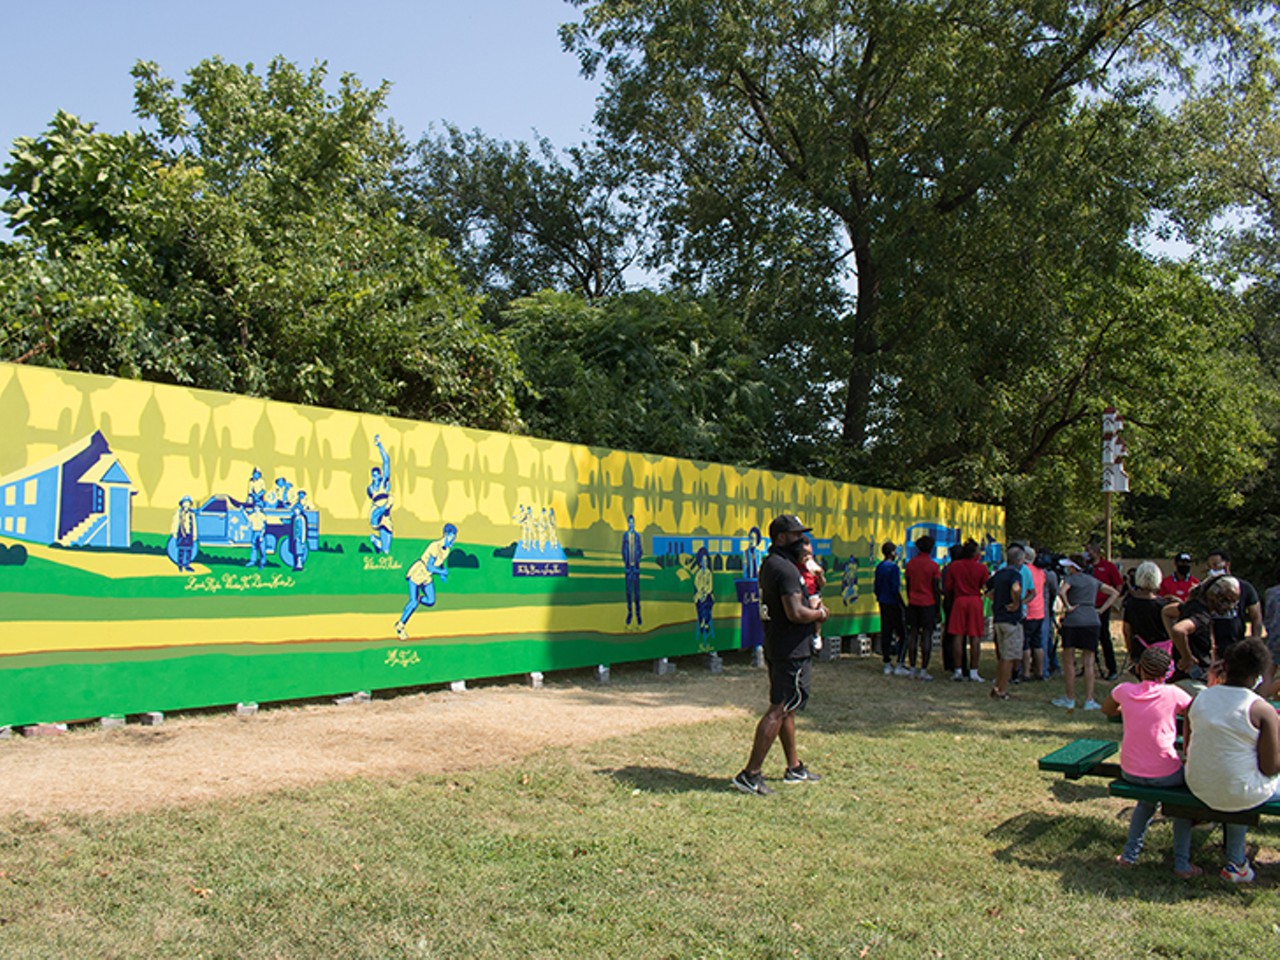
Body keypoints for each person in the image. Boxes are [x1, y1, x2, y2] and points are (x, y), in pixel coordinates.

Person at [732, 515, 828, 796]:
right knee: (779, 709)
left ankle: (794, 767)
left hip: (778, 645)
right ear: (782, 538)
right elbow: (796, 613)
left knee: (787, 707)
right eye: (797, 535)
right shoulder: (785, 570)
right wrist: (821, 614)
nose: (803, 541)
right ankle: (750, 774)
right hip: (790, 649)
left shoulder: (774, 564)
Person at [1184, 638, 1280, 883]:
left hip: (1200, 783)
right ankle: (1235, 862)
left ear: (1224, 666)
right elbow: (1270, 768)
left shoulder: (1199, 699)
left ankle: (1237, 861)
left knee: (1237, 777)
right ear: (1259, 674)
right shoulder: (1261, 710)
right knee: (1243, 784)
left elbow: (1189, 747)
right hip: (1237, 789)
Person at [1101, 647, 1197, 877]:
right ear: (1168, 673)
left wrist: (1129, 708)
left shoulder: (1123, 690)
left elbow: (1107, 709)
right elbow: (1196, 711)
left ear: (1139, 669)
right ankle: (1181, 863)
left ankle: (1129, 855)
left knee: (1145, 802)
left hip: (1131, 770)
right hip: (1166, 774)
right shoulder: (1173, 693)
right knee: (1182, 805)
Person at [1052, 555, 1120, 710]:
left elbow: (1062, 592)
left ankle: (1070, 697)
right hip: (1092, 621)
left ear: (1073, 567)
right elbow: (1114, 593)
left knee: (1068, 660)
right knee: (1089, 662)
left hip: (1073, 621)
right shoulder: (1093, 580)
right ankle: (1089, 699)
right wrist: (1101, 610)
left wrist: (1068, 606)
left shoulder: (1071, 579)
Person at [1165, 575, 1242, 685]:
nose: (1229, 607)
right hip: (1194, 680)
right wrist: (1186, 657)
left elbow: (1166, 612)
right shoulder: (1201, 617)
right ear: (1215, 596)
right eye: (1226, 600)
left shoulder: (1190, 606)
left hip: (1182, 677)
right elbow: (1179, 630)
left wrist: (1175, 641)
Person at [394, 524, 458, 640]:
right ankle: (400, 625)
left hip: (427, 577)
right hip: (419, 572)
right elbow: (430, 567)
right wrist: (442, 572)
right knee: (413, 603)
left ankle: (418, 599)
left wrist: (442, 573)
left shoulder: (447, 550)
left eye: (454, 538)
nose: (453, 541)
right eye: (452, 538)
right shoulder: (435, 546)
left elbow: (440, 562)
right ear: (445, 535)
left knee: (431, 601)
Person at [984, 544, 1025, 701]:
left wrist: (993, 597)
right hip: (1011, 621)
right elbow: (1016, 588)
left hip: (998, 618)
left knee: (1002, 656)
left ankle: (998, 686)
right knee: (1009, 657)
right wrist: (1015, 603)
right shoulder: (1015, 574)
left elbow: (986, 587)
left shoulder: (999, 574)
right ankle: (1003, 689)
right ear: (1019, 560)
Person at [1204, 548, 1263, 656]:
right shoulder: (1206, 589)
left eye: (1216, 565)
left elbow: (1256, 616)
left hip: (1236, 643)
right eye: (1210, 566)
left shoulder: (1244, 587)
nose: (1212, 569)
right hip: (1212, 646)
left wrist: (1255, 642)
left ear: (1227, 565)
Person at [946, 539, 987, 682]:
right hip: (975, 600)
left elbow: (948, 587)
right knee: (975, 636)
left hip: (959, 600)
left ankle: (958, 670)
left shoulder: (954, 567)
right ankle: (974, 671)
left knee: (958, 635)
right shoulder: (981, 568)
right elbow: (985, 585)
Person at [903, 535, 942, 680]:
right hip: (928, 603)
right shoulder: (933, 566)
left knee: (913, 634)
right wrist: (938, 608)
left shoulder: (911, 564)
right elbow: (935, 588)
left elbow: (907, 584)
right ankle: (924, 669)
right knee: (927, 636)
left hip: (913, 602)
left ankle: (912, 667)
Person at [1122, 560, 1172, 669]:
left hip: (1139, 648)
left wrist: (1130, 650)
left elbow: (1127, 630)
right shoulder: (1163, 604)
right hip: (1161, 651)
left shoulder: (1131, 603)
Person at [1085, 541, 1124, 680]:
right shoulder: (1085, 567)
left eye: (1089, 550)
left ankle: (1111, 668)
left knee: (1104, 637)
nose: (1087, 553)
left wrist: (1109, 604)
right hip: (1087, 606)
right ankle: (1087, 666)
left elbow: (1118, 587)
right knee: (1087, 638)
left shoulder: (1109, 567)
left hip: (1102, 607)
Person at [873, 541, 908, 676]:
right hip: (893, 603)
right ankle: (900, 663)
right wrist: (902, 604)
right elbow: (895, 588)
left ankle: (887, 663)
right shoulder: (894, 569)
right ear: (893, 553)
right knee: (902, 633)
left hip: (883, 602)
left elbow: (876, 586)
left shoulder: (880, 567)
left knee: (886, 631)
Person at [1020, 546, 1047, 683]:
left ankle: (1025, 672)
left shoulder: (1024, 571)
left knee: (1025, 643)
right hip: (1040, 611)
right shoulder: (1040, 572)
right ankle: (1040, 671)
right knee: (1038, 644)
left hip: (1028, 610)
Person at [796, 539, 827, 653]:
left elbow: (822, 584)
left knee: (817, 605)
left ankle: (817, 635)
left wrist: (820, 576)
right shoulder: (795, 567)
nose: (807, 557)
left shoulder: (813, 567)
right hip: (800, 594)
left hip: (813, 593)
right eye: (804, 554)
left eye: (809, 554)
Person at [622, 514, 644, 627]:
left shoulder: (637, 536)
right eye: (629, 522)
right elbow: (623, 551)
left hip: (635, 570)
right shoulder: (625, 536)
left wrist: (637, 562)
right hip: (628, 570)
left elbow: (640, 550)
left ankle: (639, 616)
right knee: (628, 593)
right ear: (628, 523)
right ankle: (630, 614)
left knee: (637, 594)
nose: (631, 524)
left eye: (632, 522)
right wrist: (627, 563)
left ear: (634, 523)